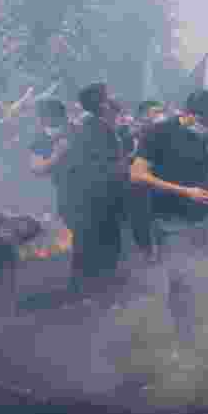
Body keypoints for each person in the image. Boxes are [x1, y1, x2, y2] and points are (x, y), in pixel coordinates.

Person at [130, 89, 208, 366]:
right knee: (180, 281)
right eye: (206, 123)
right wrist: (183, 191)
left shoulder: (204, 137)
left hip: (201, 218)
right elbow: (137, 174)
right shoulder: (158, 133)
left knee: (202, 277)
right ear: (190, 115)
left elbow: (203, 170)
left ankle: (201, 337)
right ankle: (183, 345)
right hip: (170, 219)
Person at [63, 84, 130, 298]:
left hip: (94, 199)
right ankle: (93, 295)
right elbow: (102, 166)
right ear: (102, 105)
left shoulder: (95, 127)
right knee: (98, 245)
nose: (112, 102)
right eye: (108, 98)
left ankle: (89, 291)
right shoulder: (94, 129)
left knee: (90, 245)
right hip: (96, 199)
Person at [28, 98, 73, 227]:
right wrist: (56, 155)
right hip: (61, 195)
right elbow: (36, 168)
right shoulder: (39, 139)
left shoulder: (79, 130)